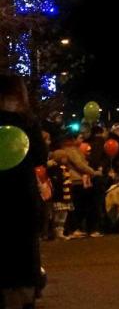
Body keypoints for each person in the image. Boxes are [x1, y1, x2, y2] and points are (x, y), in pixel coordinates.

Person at [0, 75, 47, 309]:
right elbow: (40, 155)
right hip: (22, 194)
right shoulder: (27, 122)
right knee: (25, 245)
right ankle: (27, 291)